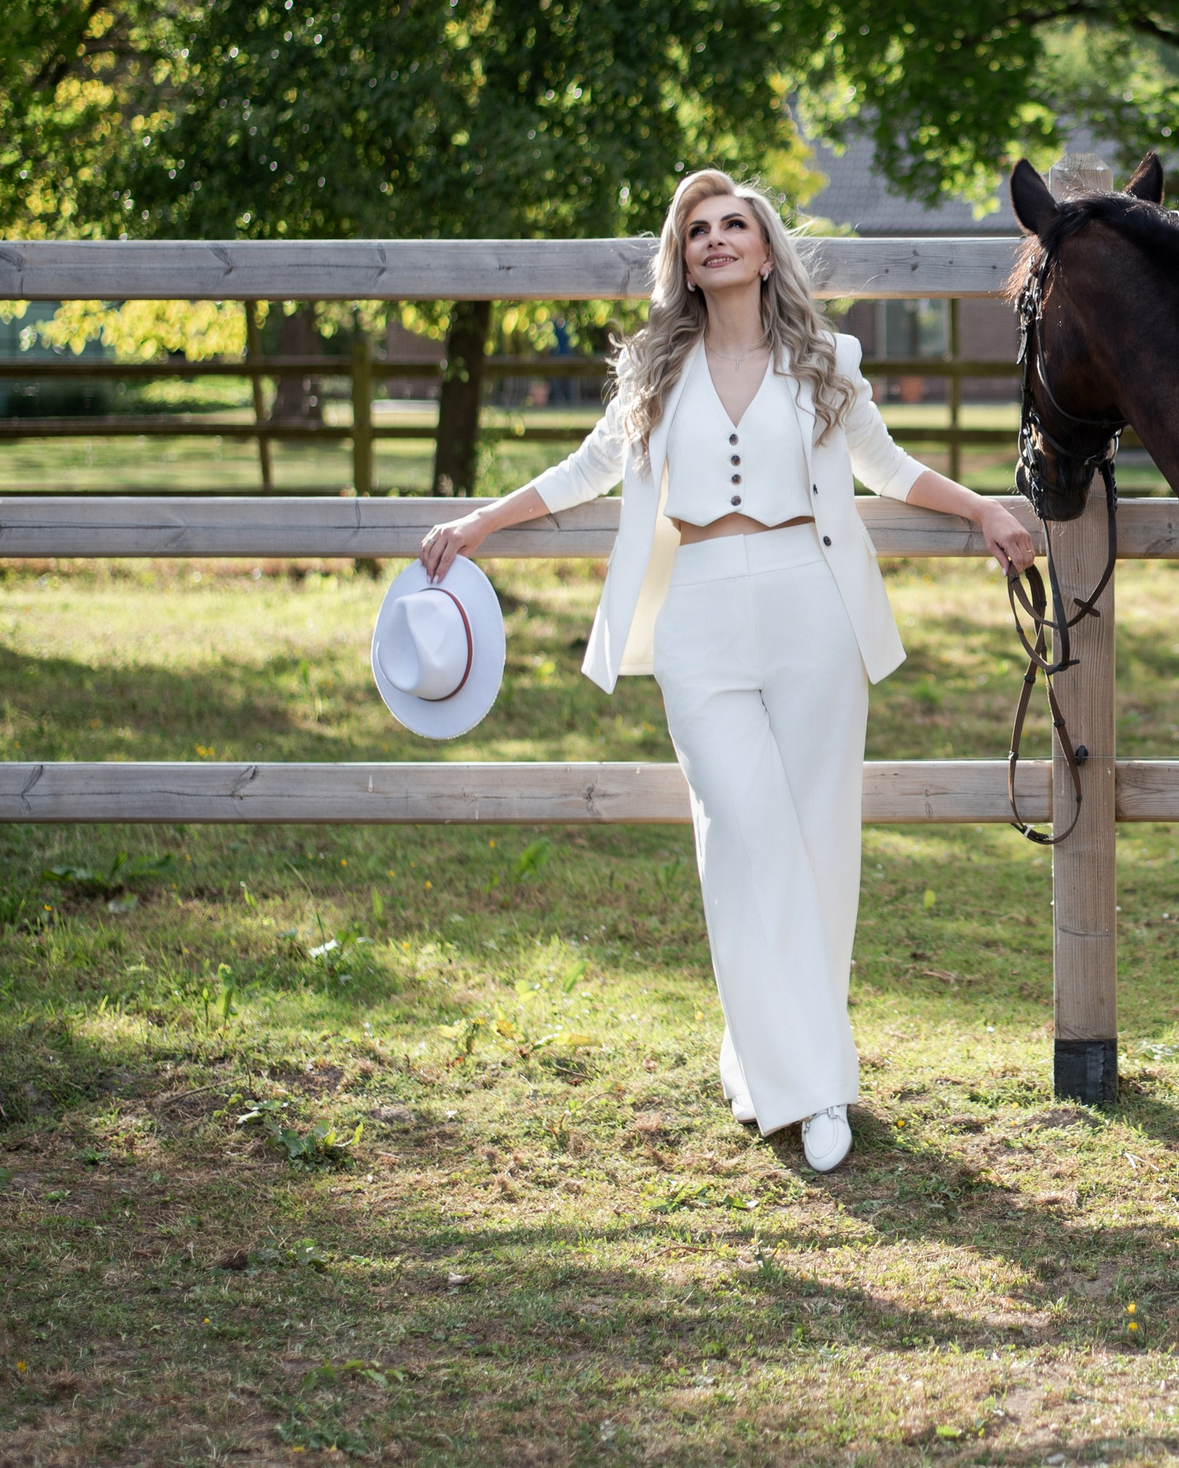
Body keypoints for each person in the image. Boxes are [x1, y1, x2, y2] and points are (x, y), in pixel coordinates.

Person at [416, 169, 1034, 1171]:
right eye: (695, 229)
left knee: (820, 842)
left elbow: (886, 465)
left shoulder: (825, 361)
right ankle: (803, 1074)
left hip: (812, 606)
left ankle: (793, 1074)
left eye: (732, 224)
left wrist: (982, 510)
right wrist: (481, 522)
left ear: (763, 247)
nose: (713, 239)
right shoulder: (654, 371)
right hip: (698, 613)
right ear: (685, 260)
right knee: (744, 838)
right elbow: (587, 470)